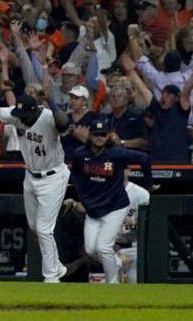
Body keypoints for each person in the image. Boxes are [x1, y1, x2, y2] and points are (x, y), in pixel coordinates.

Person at [69, 119, 153, 283]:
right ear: (90, 135)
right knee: (91, 249)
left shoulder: (117, 153)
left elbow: (144, 158)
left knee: (103, 247)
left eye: (103, 134)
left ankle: (112, 284)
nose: (100, 137)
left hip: (115, 206)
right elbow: (76, 176)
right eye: (96, 134)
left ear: (108, 135)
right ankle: (118, 263)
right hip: (93, 209)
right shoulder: (80, 154)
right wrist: (83, 197)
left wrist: (148, 184)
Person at [0, 94, 68, 282]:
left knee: (44, 229)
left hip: (53, 176)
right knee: (35, 226)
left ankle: (51, 277)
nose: (20, 118)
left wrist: (52, 101)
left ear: (34, 110)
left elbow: (64, 124)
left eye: (24, 115)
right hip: (30, 176)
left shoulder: (48, 117)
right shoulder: (17, 115)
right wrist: (1, 91)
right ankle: (57, 265)